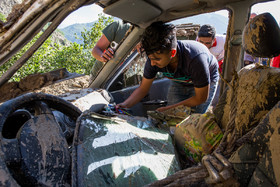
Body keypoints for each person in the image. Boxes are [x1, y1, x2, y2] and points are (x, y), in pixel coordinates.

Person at [117, 21, 219, 114]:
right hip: (180, 81)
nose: (152, 64)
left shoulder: (195, 59)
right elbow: (143, 89)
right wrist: (125, 104)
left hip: (206, 80)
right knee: (172, 119)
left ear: (173, 53)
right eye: (150, 59)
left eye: (156, 59)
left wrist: (169, 108)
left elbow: (200, 98)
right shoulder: (154, 58)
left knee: (193, 120)